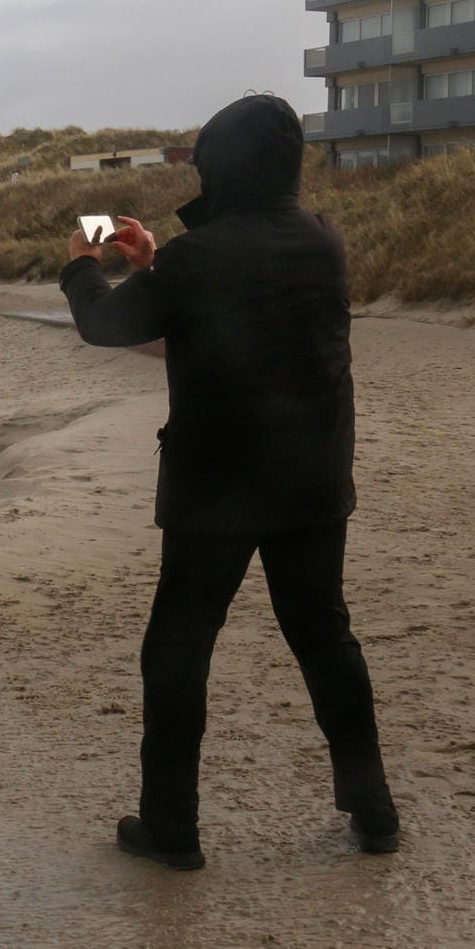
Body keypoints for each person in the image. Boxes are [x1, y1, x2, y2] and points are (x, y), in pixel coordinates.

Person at [59, 93, 398, 870]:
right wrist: (154, 261)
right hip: (314, 477)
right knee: (324, 638)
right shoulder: (322, 239)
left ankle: (171, 827)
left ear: (222, 163)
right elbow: (228, 295)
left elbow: (104, 325)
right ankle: (374, 810)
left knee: (178, 650)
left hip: (218, 487)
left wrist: (83, 259)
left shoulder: (201, 257)